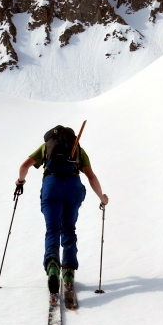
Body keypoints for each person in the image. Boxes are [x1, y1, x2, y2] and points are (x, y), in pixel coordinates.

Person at [15, 125, 109, 295]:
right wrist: (102, 198)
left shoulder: (46, 147)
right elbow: (91, 177)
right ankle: (68, 271)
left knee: (52, 230)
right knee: (69, 228)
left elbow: (24, 167)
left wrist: (20, 182)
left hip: (51, 187)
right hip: (73, 188)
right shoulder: (78, 149)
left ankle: (52, 266)